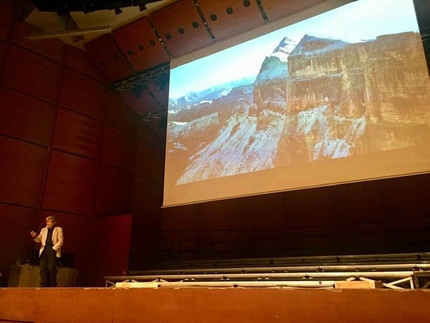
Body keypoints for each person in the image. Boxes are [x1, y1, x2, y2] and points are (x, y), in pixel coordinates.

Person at [30, 216, 64, 287]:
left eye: (49, 221)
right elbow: (39, 240)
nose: (47, 223)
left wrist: (53, 249)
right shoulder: (43, 230)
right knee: (43, 268)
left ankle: (52, 284)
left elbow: (60, 241)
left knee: (51, 268)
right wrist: (34, 237)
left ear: (53, 222)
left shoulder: (58, 229)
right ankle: (43, 284)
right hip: (44, 250)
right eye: (46, 221)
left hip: (52, 249)